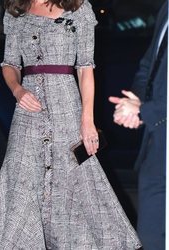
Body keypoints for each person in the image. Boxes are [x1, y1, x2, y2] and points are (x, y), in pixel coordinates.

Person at [0, 0, 141, 248]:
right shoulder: (16, 10)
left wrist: (87, 121)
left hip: (67, 107)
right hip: (28, 112)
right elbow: (10, 63)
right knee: (20, 179)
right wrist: (18, 91)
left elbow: (85, 69)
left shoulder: (78, 8)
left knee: (76, 181)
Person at [109, 1, 167, 249]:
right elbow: (149, 66)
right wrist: (136, 101)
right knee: (151, 236)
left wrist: (145, 110)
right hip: (158, 147)